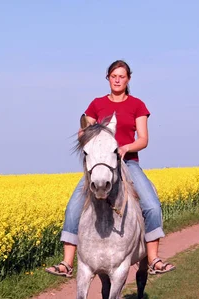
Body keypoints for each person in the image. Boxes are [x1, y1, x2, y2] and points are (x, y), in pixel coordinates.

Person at [45, 60, 176, 278]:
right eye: (113, 76)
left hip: (128, 162)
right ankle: (67, 263)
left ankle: (153, 259)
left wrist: (125, 148)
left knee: (152, 205)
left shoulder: (137, 105)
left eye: (121, 76)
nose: (117, 80)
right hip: (101, 164)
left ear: (128, 79)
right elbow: (84, 130)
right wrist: (86, 136)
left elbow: (143, 139)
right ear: (108, 78)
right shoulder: (96, 104)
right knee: (73, 206)